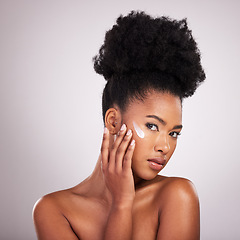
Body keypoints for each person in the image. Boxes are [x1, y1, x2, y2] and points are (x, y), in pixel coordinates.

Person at [33, 11, 205, 240]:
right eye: (153, 126)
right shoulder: (54, 210)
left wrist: (123, 204)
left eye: (174, 133)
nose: (166, 146)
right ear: (113, 121)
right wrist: (121, 204)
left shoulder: (177, 196)